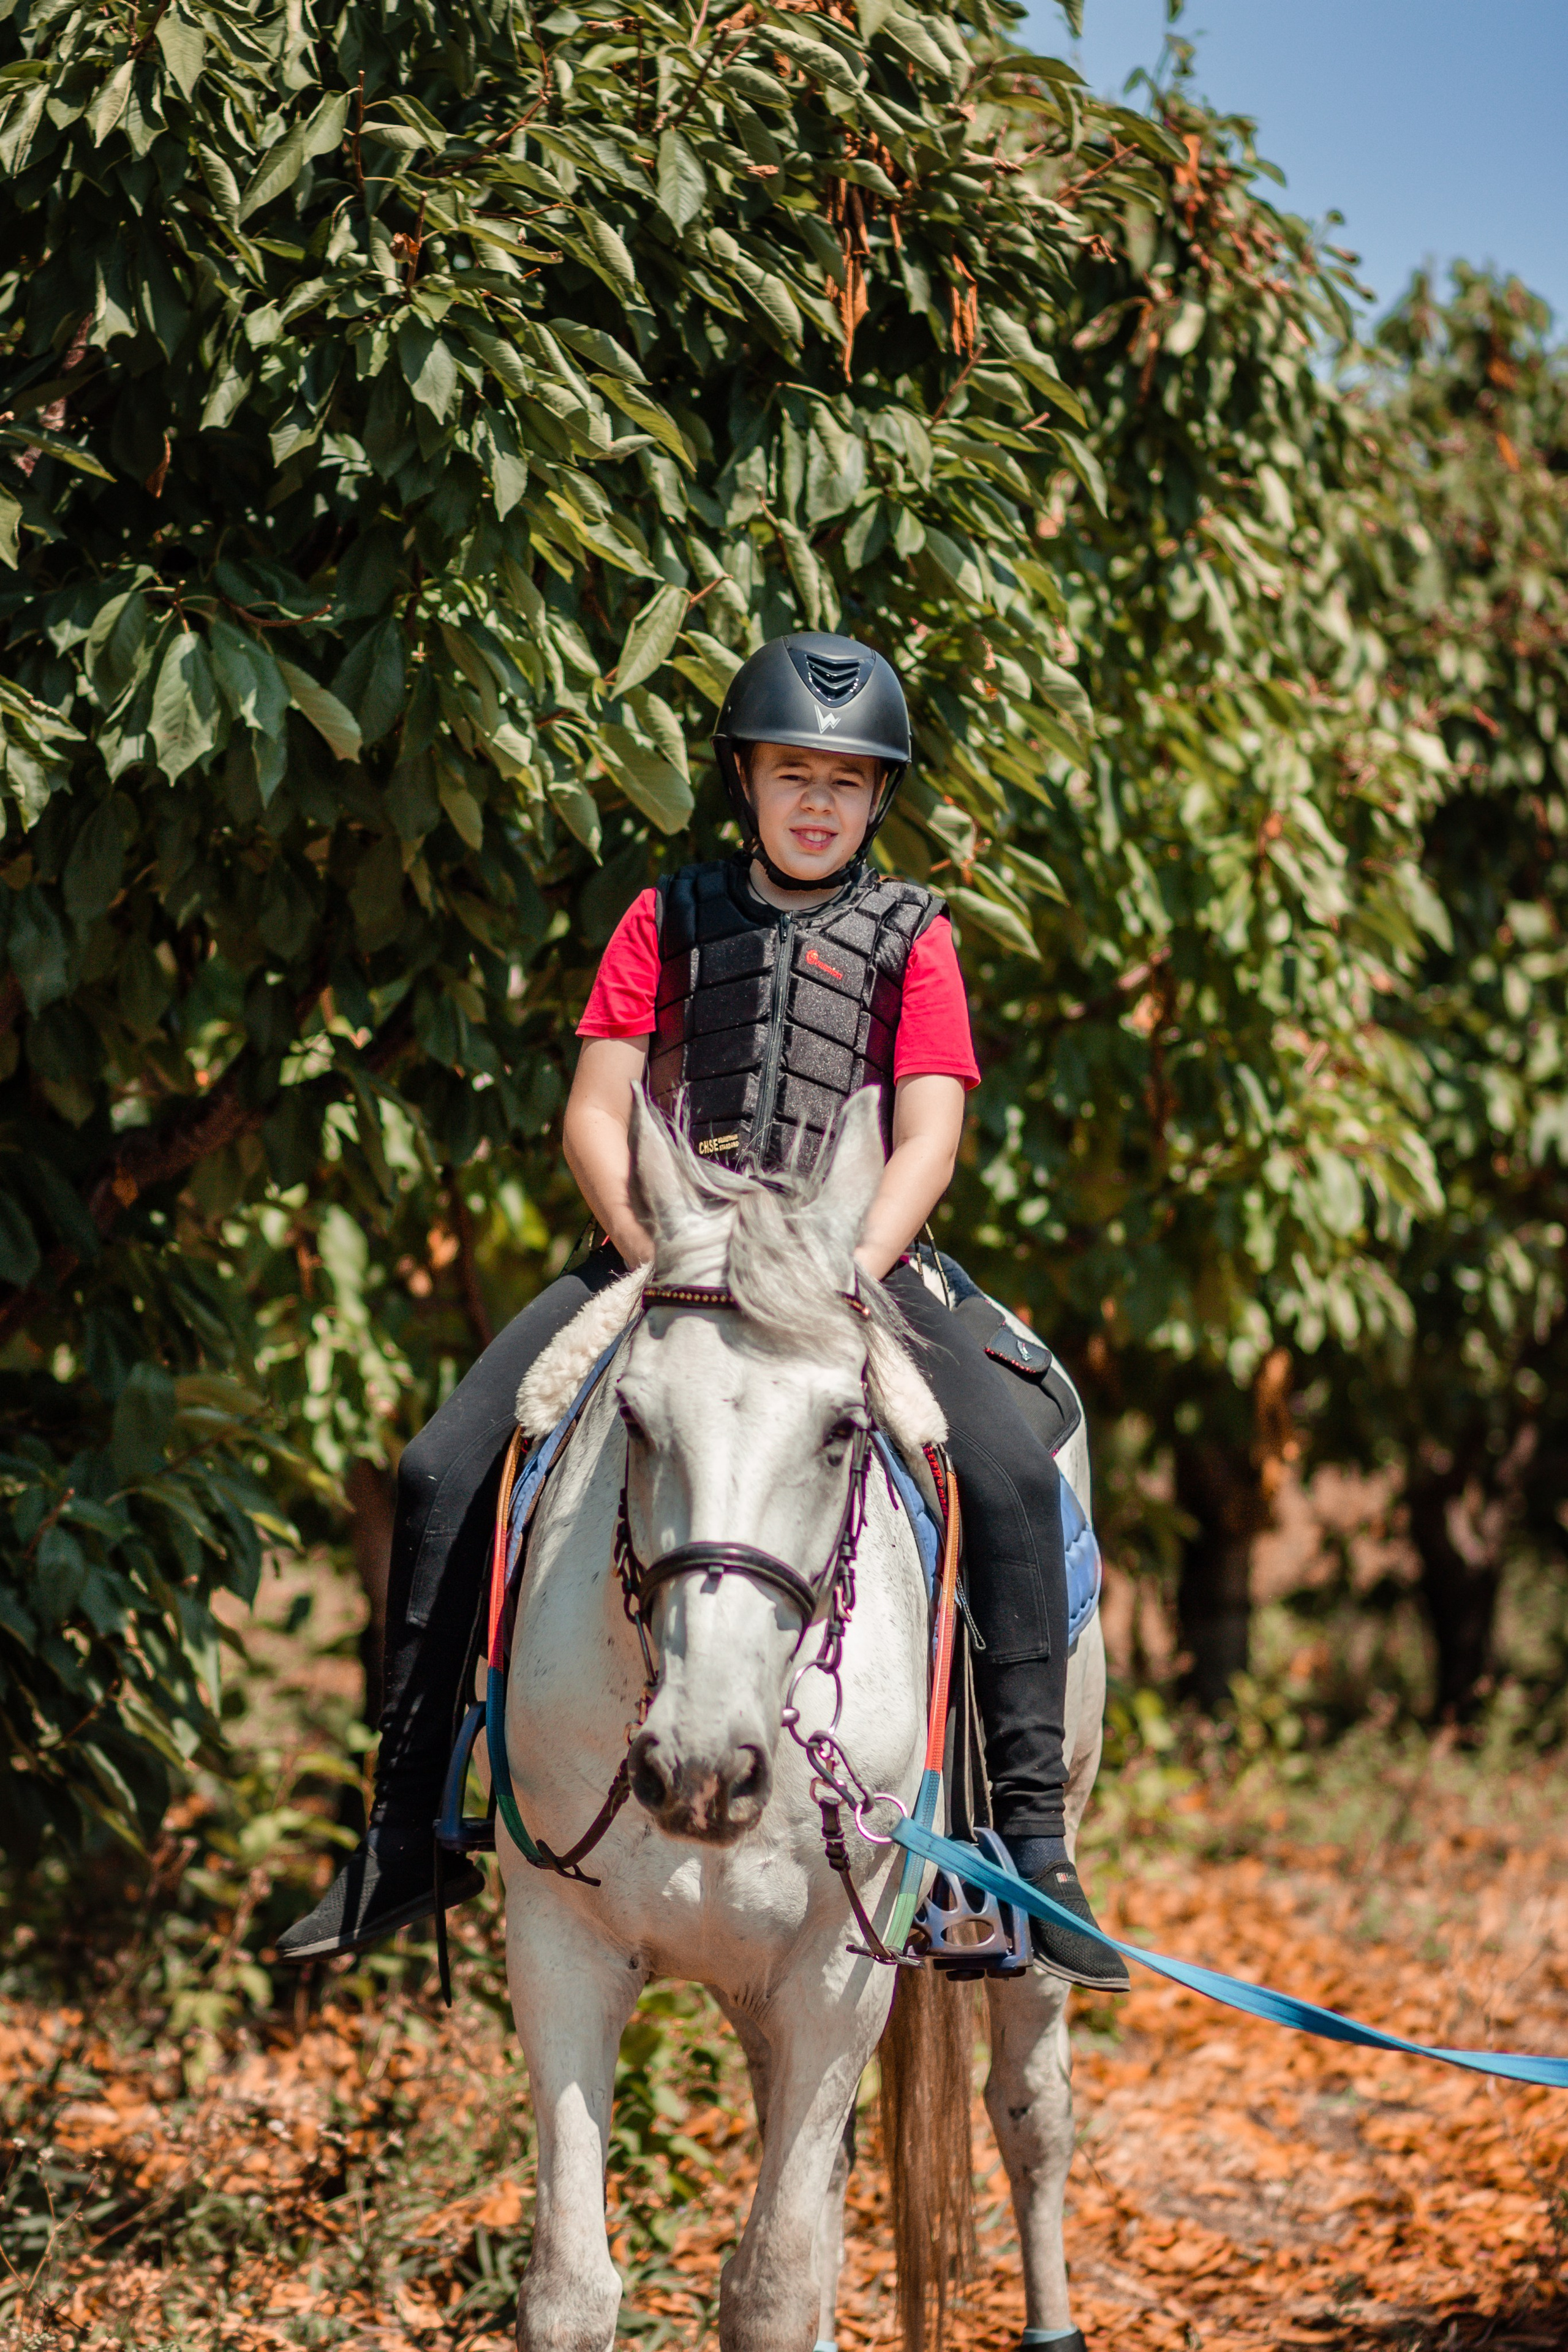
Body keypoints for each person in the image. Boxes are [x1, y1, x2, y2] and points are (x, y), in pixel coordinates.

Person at [278, 633, 1128, 1991]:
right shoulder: (662, 918)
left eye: (845, 786)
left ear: (876, 803)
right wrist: (653, 1250)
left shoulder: (916, 936)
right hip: (665, 1249)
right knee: (440, 1464)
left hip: (858, 1261)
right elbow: (595, 1111)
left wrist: (846, 1271)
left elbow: (928, 1136)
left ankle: (1026, 1852)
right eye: (793, 776)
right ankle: (405, 1828)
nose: (817, 805)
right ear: (744, 780)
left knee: (1015, 1475)